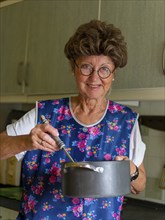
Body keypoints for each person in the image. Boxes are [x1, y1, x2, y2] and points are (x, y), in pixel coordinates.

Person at [0, 20, 146, 220]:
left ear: (114, 74)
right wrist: (27, 141)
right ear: (73, 68)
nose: (94, 78)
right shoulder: (43, 114)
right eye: (86, 67)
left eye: (104, 69)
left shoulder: (125, 122)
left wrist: (131, 171)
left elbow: (140, 185)